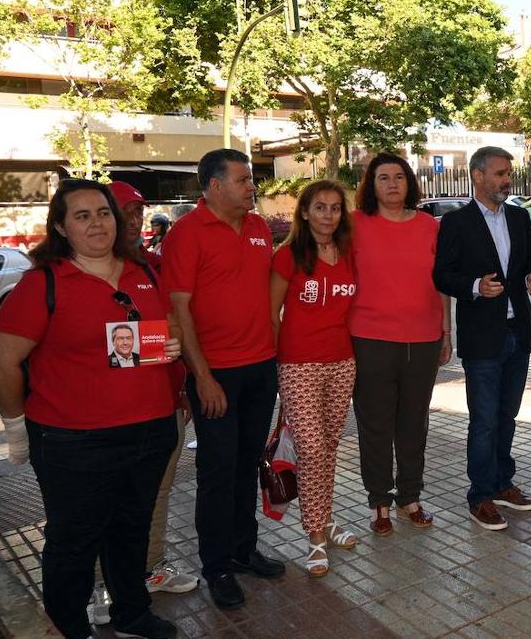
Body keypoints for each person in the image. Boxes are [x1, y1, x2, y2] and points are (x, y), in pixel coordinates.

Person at [0, 179, 182, 639]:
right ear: (61, 227)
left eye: (104, 213)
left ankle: (131, 613)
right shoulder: (44, 284)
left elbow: (155, 335)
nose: (98, 223)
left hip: (150, 430)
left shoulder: (144, 273)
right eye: (83, 215)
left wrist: (167, 346)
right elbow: (1, 361)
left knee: (130, 530)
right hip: (75, 441)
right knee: (74, 543)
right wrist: (17, 428)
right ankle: (69, 627)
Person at [162, 149, 284, 608]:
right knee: (217, 472)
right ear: (214, 186)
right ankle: (216, 567)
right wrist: (203, 377)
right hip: (217, 374)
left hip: (260, 367)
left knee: (247, 463)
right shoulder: (187, 234)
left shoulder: (256, 228)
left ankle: (243, 549)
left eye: (251, 180)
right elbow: (179, 310)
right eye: (244, 180)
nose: (253, 187)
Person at [100, 181, 197, 619]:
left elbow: (176, 325)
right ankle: (103, 589)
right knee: (108, 502)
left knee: (157, 494)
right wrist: (162, 341)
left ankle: (148, 569)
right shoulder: (81, 272)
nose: (135, 220)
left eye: (139, 212)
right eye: (125, 212)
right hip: (105, 417)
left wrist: (186, 384)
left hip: (166, 404)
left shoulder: (155, 266)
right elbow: (107, 346)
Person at [434, 146, 531, 531]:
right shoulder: (456, 223)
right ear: (477, 176)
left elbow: (530, 261)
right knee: (484, 420)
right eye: (498, 173)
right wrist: (476, 286)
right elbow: (442, 276)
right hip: (483, 336)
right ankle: (479, 495)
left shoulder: (518, 216)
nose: (506, 179)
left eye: (507, 173)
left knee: (507, 415)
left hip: (518, 331)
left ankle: (502, 482)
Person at [349, 154, 452, 536]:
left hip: (422, 340)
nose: (392, 184)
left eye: (398, 177)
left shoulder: (429, 226)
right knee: (374, 424)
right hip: (370, 339)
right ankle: (379, 501)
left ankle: (410, 496)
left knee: (414, 423)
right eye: (383, 178)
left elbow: (442, 282)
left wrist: (446, 330)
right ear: (370, 185)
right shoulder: (355, 224)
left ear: (409, 182)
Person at [271, 180, 358, 576]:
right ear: (304, 212)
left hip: (342, 361)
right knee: (310, 449)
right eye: (319, 207)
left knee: (328, 448)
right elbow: (272, 314)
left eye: (335, 208)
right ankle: (316, 537)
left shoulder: (350, 254)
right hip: (299, 364)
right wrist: (276, 365)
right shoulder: (288, 256)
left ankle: (324, 519)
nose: (328, 215)